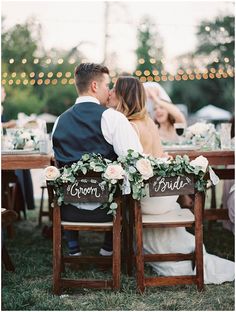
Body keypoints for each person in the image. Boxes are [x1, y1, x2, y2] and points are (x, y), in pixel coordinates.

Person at [109, 76, 234, 284]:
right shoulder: (148, 122)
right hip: (164, 195)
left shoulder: (129, 126)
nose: (111, 92)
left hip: (149, 199)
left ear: (123, 96)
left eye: (115, 90)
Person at [52, 63, 142, 256]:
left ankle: (74, 246)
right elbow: (135, 159)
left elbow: (58, 164)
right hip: (106, 208)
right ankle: (109, 246)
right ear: (94, 86)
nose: (109, 90)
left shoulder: (59, 121)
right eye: (107, 85)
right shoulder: (113, 118)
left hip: (68, 208)